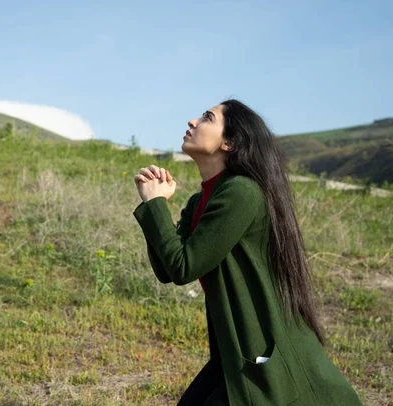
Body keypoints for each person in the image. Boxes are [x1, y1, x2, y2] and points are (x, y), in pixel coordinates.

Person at [131, 99, 363, 405]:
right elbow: (168, 270)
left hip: (265, 354)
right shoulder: (201, 199)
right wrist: (155, 205)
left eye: (207, 118)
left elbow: (182, 266)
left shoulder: (241, 192)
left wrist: (155, 205)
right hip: (236, 353)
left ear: (229, 142)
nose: (192, 121)